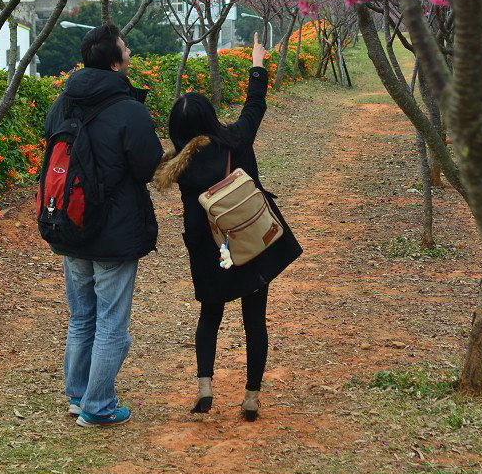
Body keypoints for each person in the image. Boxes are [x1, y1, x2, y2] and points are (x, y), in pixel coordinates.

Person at [154, 33, 302, 420]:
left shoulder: (178, 165)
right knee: (255, 319)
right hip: (249, 239)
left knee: (210, 314)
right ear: (209, 118)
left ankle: (205, 387)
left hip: (210, 249)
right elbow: (255, 106)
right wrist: (257, 65)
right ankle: (251, 397)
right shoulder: (236, 139)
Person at [43, 23, 163, 427]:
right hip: (113, 232)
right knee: (111, 322)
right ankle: (97, 407)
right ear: (115, 61)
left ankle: (79, 396)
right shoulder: (128, 108)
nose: (129, 52)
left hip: (69, 223)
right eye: (125, 48)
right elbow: (148, 168)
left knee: (81, 317)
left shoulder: (63, 102)